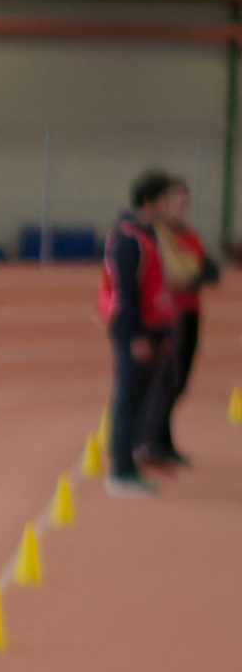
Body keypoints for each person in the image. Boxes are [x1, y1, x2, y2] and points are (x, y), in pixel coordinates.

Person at [98, 170, 186, 495]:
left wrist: (164, 331)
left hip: (152, 327)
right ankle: (120, 471)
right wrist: (135, 336)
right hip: (133, 329)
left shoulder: (147, 233)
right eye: (165, 200)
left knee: (141, 398)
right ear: (149, 201)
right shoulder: (127, 237)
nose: (170, 206)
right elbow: (127, 291)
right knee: (127, 398)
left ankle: (130, 463)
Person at [150, 176, 216, 467]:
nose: (180, 206)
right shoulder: (162, 235)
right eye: (175, 200)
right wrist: (193, 272)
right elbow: (179, 274)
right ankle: (154, 439)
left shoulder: (188, 234)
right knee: (168, 379)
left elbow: (207, 269)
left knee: (181, 381)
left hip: (191, 312)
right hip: (172, 315)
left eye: (184, 202)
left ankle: (162, 439)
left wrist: (194, 273)